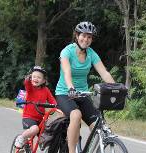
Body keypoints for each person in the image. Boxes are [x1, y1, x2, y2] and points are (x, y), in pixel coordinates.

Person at [55, 21, 115, 153]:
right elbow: (67, 72)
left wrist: (117, 89)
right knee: (76, 115)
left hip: (83, 94)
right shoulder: (67, 52)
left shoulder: (91, 53)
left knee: (98, 126)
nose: (86, 39)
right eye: (83, 35)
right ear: (77, 36)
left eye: (89, 37)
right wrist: (71, 88)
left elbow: (104, 73)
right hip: (65, 93)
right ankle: (71, 151)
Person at [14, 66, 57, 148]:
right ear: (31, 78)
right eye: (34, 77)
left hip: (41, 119)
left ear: (44, 80)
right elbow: (27, 83)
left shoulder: (46, 90)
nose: (36, 79)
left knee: (48, 136)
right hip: (28, 117)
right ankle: (21, 138)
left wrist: (56, 106)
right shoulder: (30, 88)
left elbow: (53, 101)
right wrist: (28, 78)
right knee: (35, 129)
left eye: (39, 77)